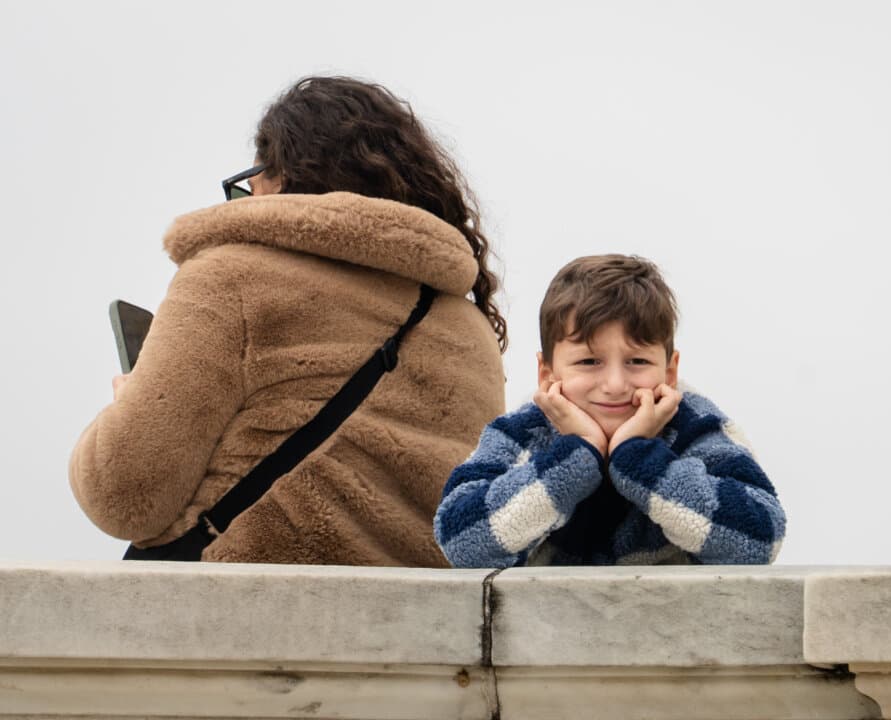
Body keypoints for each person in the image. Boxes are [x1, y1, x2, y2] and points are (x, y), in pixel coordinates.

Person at [70, 76, 506, 566]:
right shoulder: (469, 330)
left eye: (250, 185)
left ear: (283, 175)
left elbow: (127, 496)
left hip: (235, 623)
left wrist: (131, 404)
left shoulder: (231, 277)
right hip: (418, 633)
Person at [435, 254, 785, 567]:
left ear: (669, 371)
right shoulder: (523, 431)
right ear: (547, 374)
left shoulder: (695, 425)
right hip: (547, 631)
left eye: (637, 361)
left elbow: (761, 539)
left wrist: (639, 460)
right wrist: (578, 455)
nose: (616, 384)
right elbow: (461, 541)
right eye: (589, 361)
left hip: (673, 629)